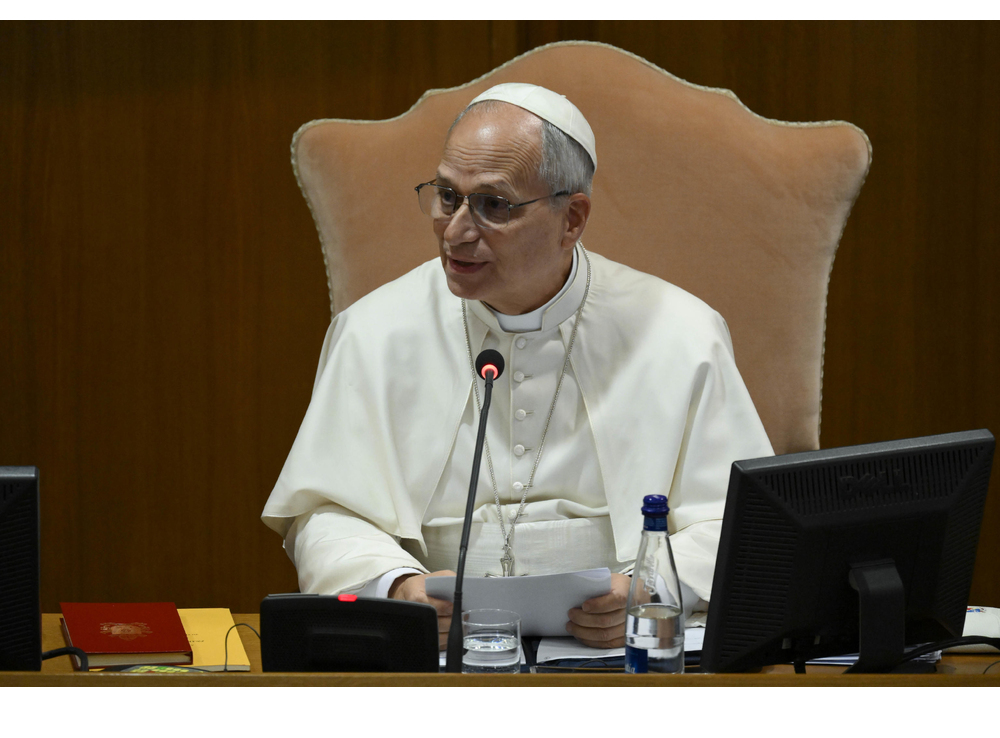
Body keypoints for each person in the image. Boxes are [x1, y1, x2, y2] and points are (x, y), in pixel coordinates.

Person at [262, 83, 773, 648]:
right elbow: (325, 513)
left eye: (493, 205)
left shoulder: (681, 333)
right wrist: (399, 587)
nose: (456, 231)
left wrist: (651, 587)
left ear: (571, 218)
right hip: (439, 652)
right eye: (447, 196)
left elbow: (740, 523)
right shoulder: (375, 331)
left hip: (618, 648)